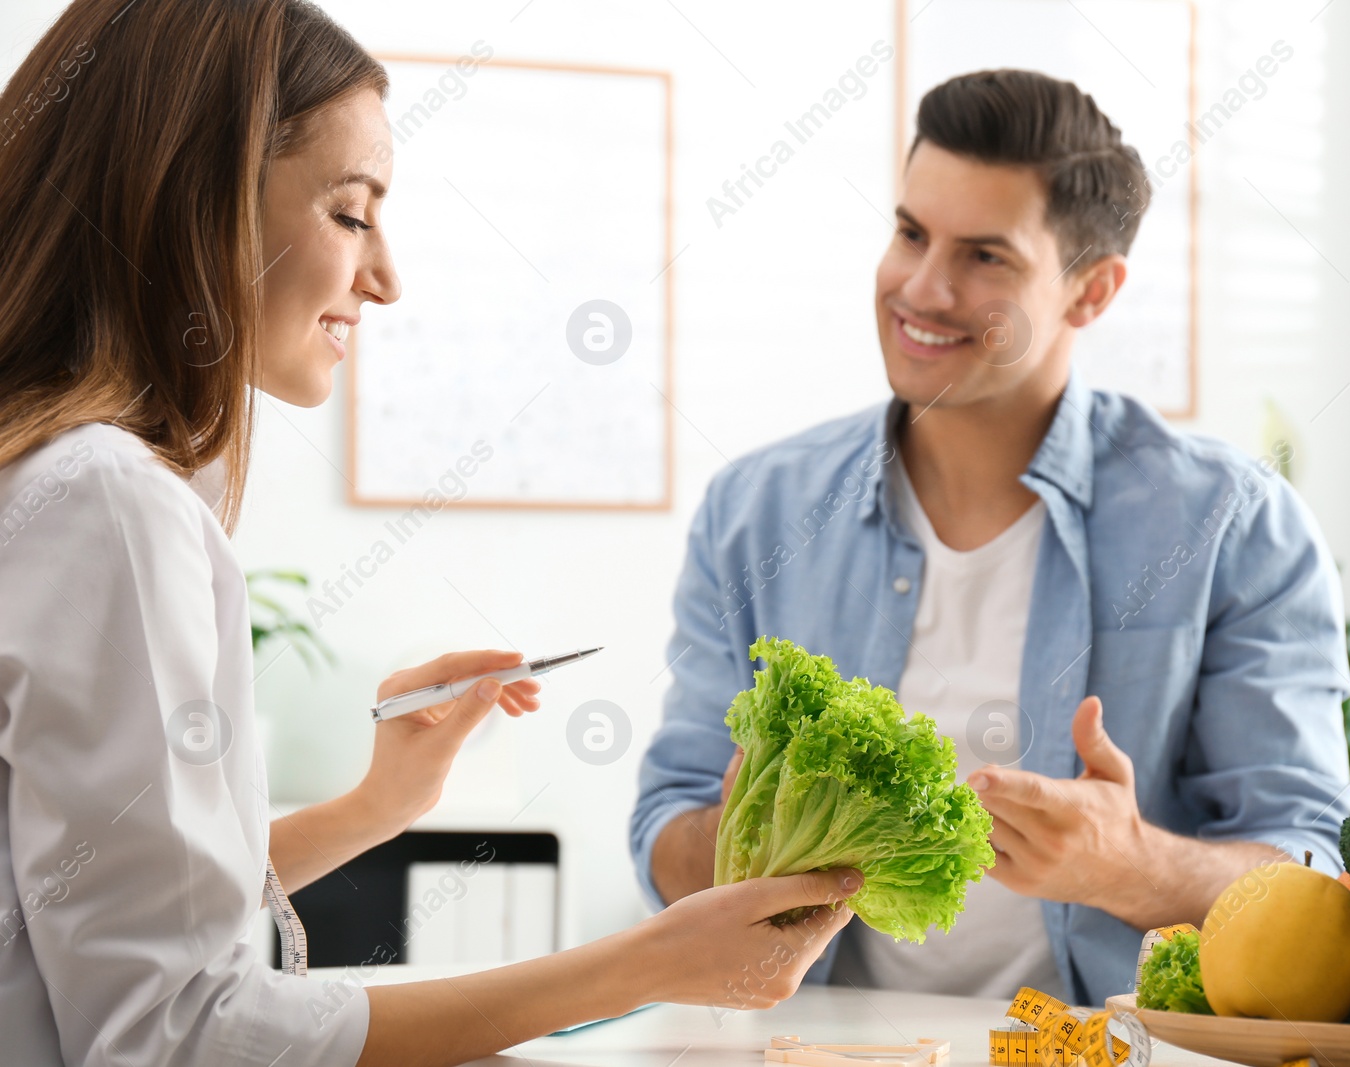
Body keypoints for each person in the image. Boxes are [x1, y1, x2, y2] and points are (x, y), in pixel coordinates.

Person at [0, 3, 858, 1065]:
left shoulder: (57, 479)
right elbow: (172, 1030)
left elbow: (84, 903)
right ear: (199, 199)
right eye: (352, 214)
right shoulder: (109, 503)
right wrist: (641, 961)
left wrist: (377, 805)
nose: (386, 275)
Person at [631, 68, 1350, 1007]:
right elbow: (665, 833)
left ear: (1091, 292)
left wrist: (1125, 864)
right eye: (910, 233)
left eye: (985, 257)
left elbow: (1314, 874)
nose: (921, 289)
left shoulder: (1232, 524)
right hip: (822, 1041)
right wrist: (744, 829)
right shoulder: (756, 513)